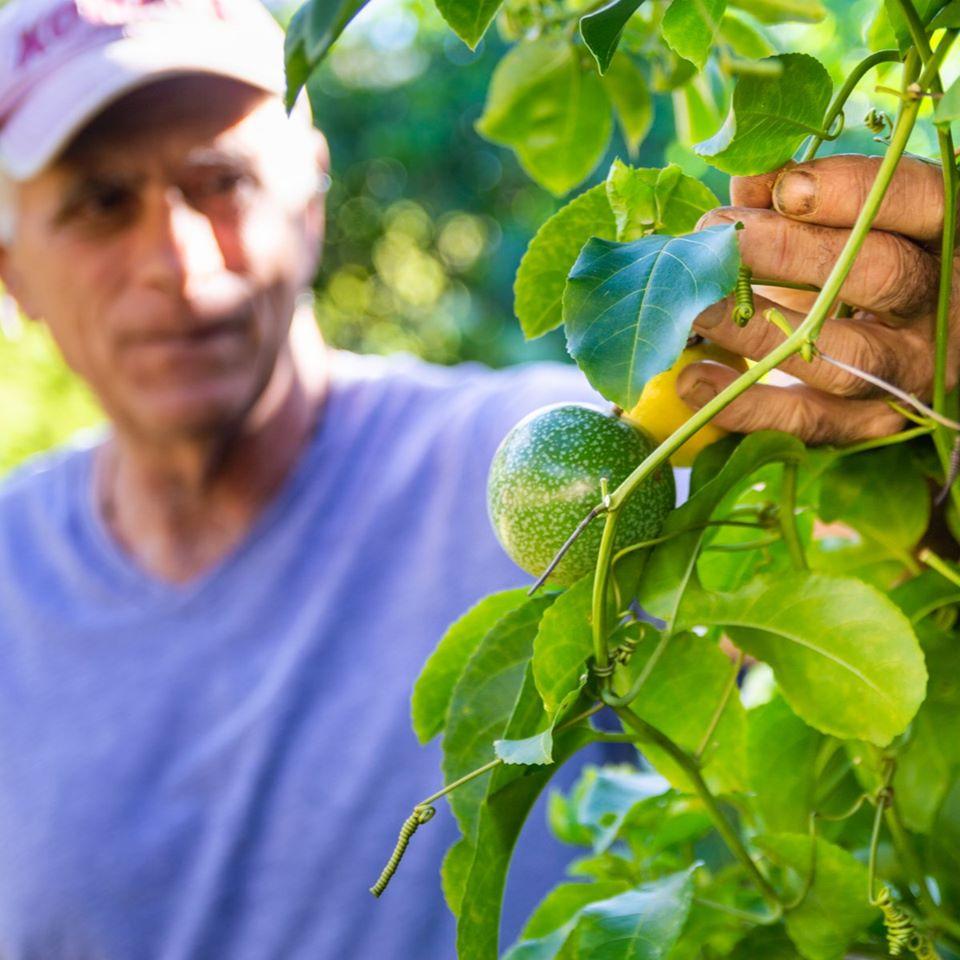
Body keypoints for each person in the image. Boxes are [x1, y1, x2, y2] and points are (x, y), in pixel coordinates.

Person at [0, 1, 954, 958]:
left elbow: (885, 567)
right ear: (12, 270)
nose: (176, 261)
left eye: (222, 181)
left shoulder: (583, 466)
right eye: (100, 203)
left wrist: (935, 420)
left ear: (310, 194)